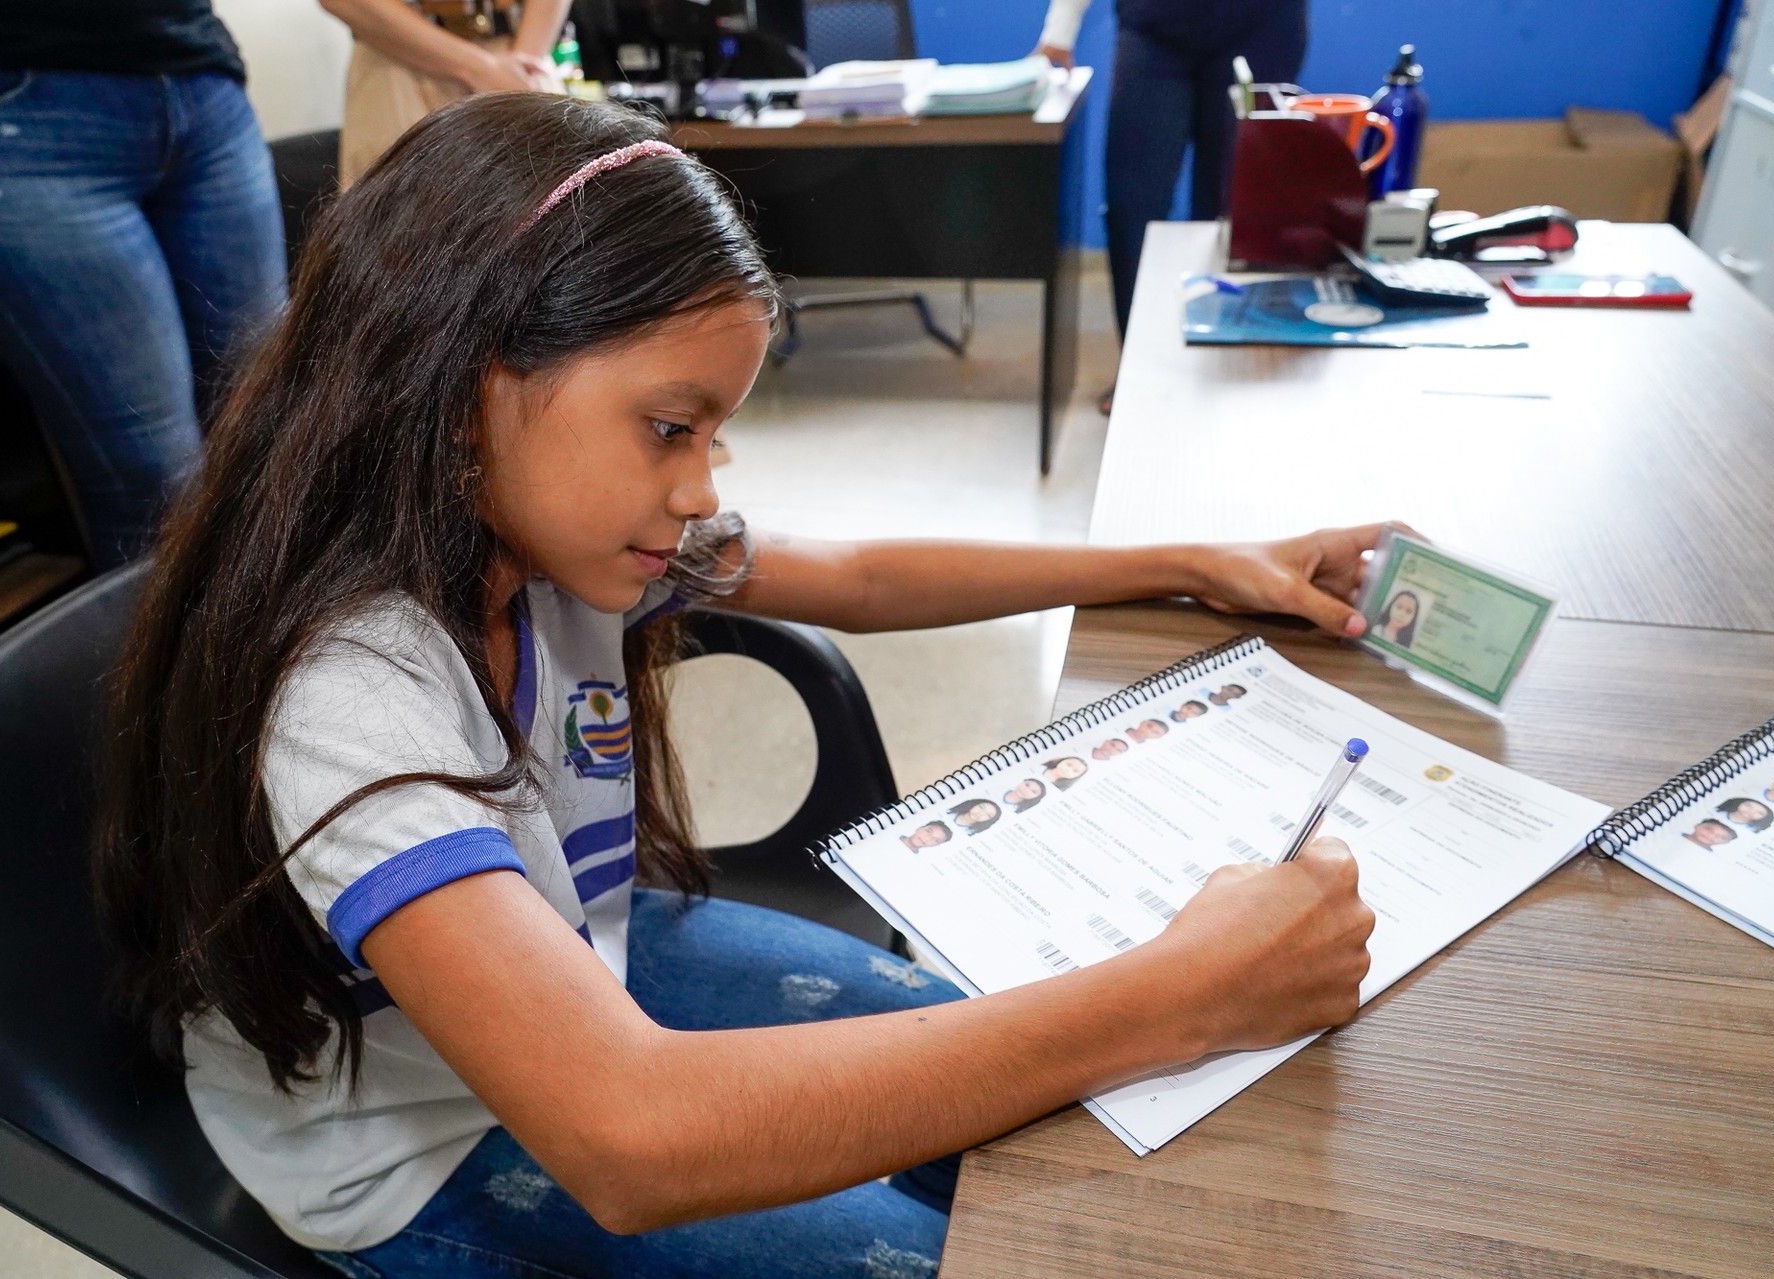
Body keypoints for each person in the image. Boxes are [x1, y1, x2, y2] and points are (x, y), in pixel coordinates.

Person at [93, 95, 1381, 1277]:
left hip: (582, 968)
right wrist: (1174, 990)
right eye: (671, 426)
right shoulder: (354, 691)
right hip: (423, 1142)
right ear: (465, 377)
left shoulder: (551, 532)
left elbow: (865, 573)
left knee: (1030, 1121)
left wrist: (1196, 562)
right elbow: (627, 1137)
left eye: (717, 436)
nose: (704, 488)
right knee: (974, 1244)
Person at [0, 0, 287, 567]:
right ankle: (200, 657)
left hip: (192, 69)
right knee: (159, 480)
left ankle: (295, 645)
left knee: (275, 428)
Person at [1036, 0, 1308, 407]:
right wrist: (1061, 27)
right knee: (1133, 205)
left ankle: (1218, 367)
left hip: (1260, 26)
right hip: (1155, 25)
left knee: (1231, 210)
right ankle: (1139, 367)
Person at [321, 0, 568, 187]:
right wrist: (480, 70)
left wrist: (524, 62)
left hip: (522, 58)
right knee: (403, 238)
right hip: (401, 65)